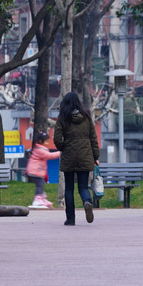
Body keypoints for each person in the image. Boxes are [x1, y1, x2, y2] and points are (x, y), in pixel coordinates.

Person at [53, 92, 100, 225]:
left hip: (69, 156)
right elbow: (93, 138)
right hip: (85, 156)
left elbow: (57, 139)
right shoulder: (86, 117)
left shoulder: (63, 118)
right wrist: (95, 156)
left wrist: (63, 147)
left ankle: (70, 219)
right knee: (83, 187)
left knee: (69, 188)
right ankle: (87, 202)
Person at [26, 131, 61, 209]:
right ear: (40, 141)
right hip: (34, 171)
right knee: (40, 185)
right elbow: (49, 156)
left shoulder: (40, 148)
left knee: (41, 184)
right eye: (46, 141)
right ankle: (37, 200)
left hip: (36, 171)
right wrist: (60, 153)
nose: (48, 143)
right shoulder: (39, 150)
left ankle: (41, 198)